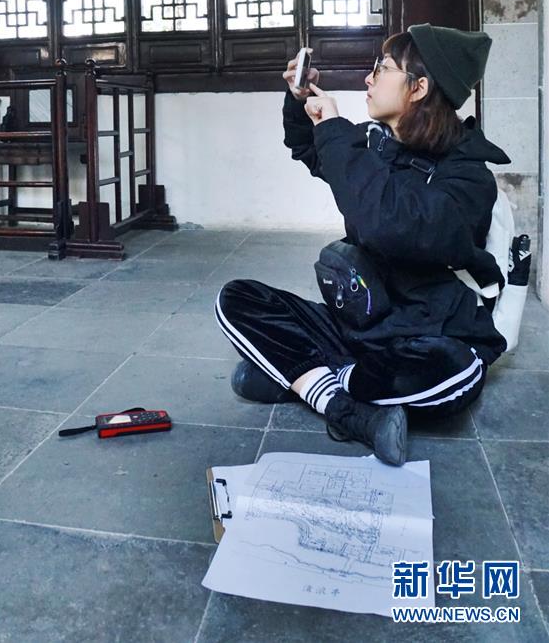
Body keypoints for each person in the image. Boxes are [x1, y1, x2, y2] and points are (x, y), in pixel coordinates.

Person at [215, 25, 511, 466]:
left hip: (426, 334)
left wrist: (337, 130)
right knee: (236, 300)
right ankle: (345, 406)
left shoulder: (468, 177)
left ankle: (304, 377)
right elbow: (312, 149)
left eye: (383, 68)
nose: (368, 79)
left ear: (419, 88)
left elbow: (387, 222)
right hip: (358, 325)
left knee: (455, 372)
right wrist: (301, 103)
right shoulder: (379, 145)